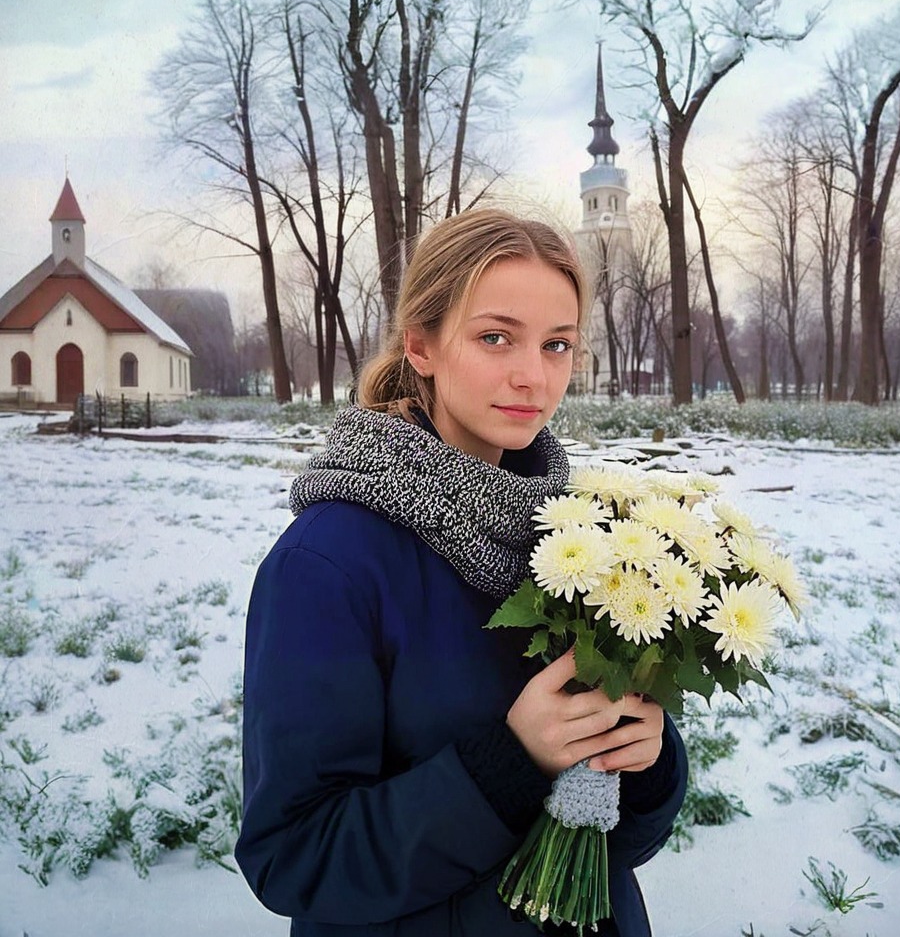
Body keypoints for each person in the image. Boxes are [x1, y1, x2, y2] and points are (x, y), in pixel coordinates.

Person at [235, 208, 687, 936]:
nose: (532, 375)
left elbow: (615, 848)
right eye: (495, 337)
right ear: (421, 344)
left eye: (558, 344)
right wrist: (509, 765)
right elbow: (295, 857)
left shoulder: (580, 540)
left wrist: (647, 763)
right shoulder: (326, 564)